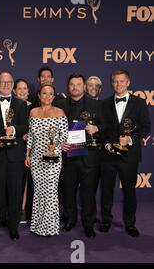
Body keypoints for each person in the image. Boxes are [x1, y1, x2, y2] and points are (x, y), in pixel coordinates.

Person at [98, 70, 150, 237]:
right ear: (111, 83)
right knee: (107, 189)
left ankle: (130, 223)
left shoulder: (140, 103)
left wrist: (130, 139)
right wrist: (106, 144)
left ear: (128, 83)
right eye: (115, 82)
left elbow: (145, 127)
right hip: (108, 156)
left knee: (129, 190)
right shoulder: (103, 104)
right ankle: (106, 220)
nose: (118, 85)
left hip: (129, 156)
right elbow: (101, 129)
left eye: (122, 82)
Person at [55, 74, 103, 238]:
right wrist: (59, 142)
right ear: (68, 87)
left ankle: (88, 224)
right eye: (72, 85)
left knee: (88, 193)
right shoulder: (59, 105)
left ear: (84, 86)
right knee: (68, 192)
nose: (75, 87)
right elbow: (51, 129)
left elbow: (107, 125)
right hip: (67, 156)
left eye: (78, 84)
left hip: (89, 157)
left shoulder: (96, 105)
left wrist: (97, 128)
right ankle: (70, 220)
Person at [0, 72, 29, 240]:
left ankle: (13, 224)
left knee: (16, 191)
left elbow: (25, 126)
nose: (5, 84)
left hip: (16, 156)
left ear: (12, 85)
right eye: (2, 82)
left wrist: (14, 130)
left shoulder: (21, 104)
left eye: (9, 82)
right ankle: (0, 219)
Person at [25, 84, 68, 237]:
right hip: (36, 158)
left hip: (53, 158)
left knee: (50, 191)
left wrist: (55, 144)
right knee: (39, 191)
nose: (47, 96)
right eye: (44, 93)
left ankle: (50, 227)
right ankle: (37, 225)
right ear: (39, 95)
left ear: (54, 96)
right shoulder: (33, 112)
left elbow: (64, 135)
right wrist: (27, 155)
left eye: (50, 94)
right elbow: (30, 136)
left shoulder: (59, 112)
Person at [13, 78, 34, 224]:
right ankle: (18, 209)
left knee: (30, 182)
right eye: (19, 88)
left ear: (28, 91)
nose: (22, 91)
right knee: (18, 181)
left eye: (24, 88)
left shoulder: (35, 108)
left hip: (34, 149)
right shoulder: (11, 107)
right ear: (14, 91)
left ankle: (28, 210)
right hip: (16, 148)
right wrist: (21, 135)